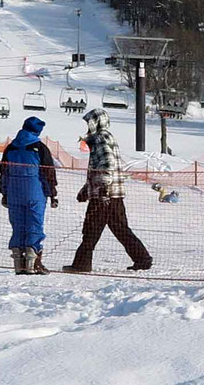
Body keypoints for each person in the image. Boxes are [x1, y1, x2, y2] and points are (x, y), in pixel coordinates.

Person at [64, 109, 152, 273]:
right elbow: (100, 168)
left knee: (90, 230)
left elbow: (108, 164)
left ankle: (81, 264)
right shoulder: (105, 137)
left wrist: (102, 187)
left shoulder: (100, 138)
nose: (87, 127)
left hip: (104, 195)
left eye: (88, 123)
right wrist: (86, 189)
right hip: (114, 194)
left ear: (94, 123)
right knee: (120, 229)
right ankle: (143, 259)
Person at [0, 116, 58, 275]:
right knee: (34, 223)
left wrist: (5, 193)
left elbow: (3, 172)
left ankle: (19, 263)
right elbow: (48, 172)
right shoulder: (40, 147)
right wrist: (52, 193)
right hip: (34, 191)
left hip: (14, 192)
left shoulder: (11, 147)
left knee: (18, 225)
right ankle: (33, 263)